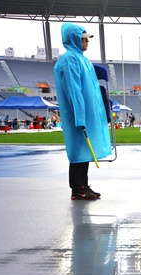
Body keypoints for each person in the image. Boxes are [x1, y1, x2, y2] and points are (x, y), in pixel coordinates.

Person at [54, 23, 111, 200]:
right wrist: (79, 116)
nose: (87, 42)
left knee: (86, 149)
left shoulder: (82, 59)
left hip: (88, 113)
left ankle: (83, 184)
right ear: (76, 39)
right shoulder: (70, 60)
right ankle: (76, 187)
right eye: (84, 38)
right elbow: (74, 90)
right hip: (79, 114)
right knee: (78, 151)